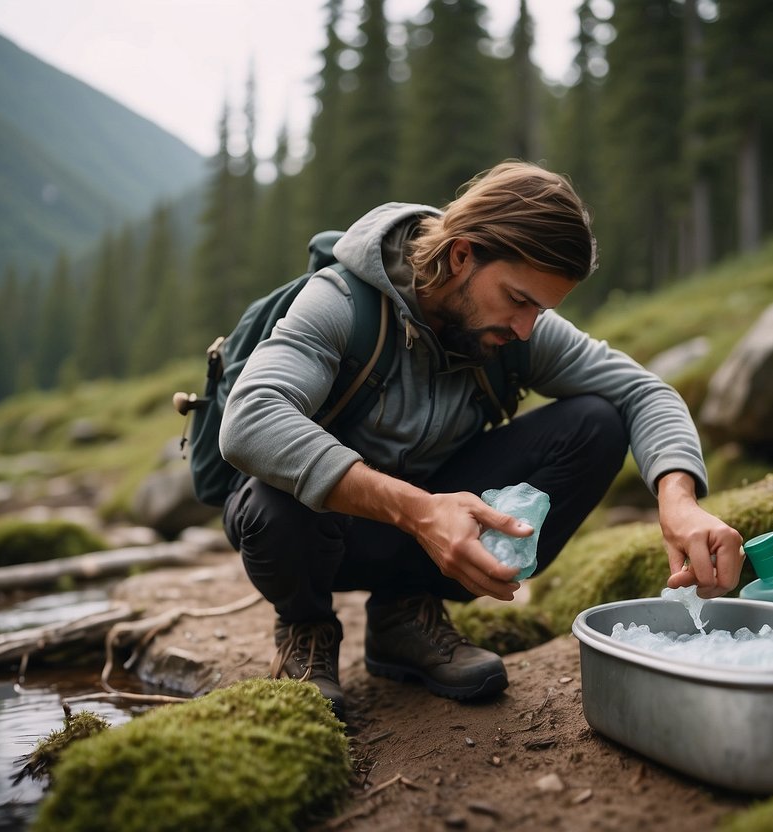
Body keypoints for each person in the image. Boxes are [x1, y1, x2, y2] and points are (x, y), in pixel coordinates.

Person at [219, 161, 743, 719]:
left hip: (436, 532)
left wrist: (679, 503)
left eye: (540, 309)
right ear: (462, 254)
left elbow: (644, 392)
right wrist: (420, 511)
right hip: (318, 535)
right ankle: (305, 629)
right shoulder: (341, 302)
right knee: (274, 497)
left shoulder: (517, 329)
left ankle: (405, 617)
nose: (525, 328)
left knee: (596, 421)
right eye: (519, 299)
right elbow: (249, 418)